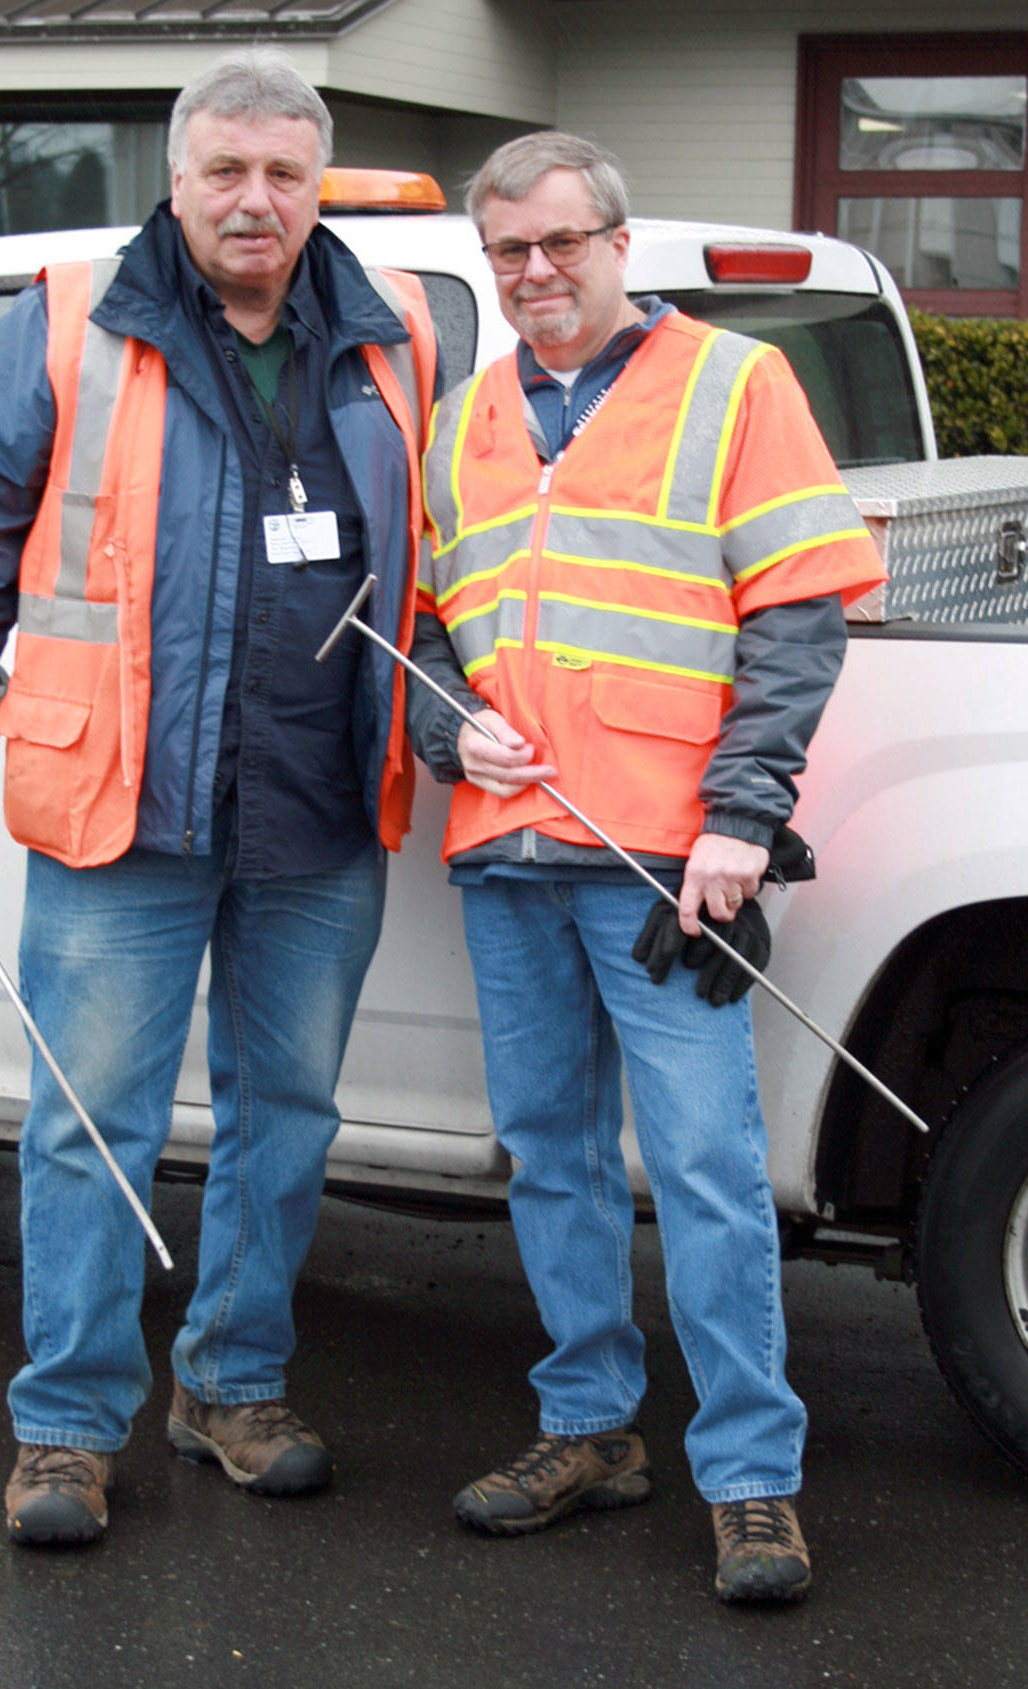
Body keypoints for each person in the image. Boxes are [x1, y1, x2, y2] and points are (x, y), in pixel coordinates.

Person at [0, 48, 436, 1547]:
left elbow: (434, 555)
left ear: (318, 186)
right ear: (175, 179)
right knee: (88, 1123)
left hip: (321, 805)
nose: (256, 201)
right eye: (225, 172)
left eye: (285, 175)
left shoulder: (398, 334)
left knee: (289, 1119)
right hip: (126, 801)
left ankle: (234, 1384)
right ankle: (64, 1425)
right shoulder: (66, 322)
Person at [407, 131, 884, 1603]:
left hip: (670, 865)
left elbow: (799, 616)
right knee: (549, 1159)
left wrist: (742, 818)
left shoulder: (737, 385)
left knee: (707, 1173)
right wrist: (447, 730)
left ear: (619, 244)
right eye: (510, 254)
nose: (536, 274)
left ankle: (751, 1479)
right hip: (509, 852)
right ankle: (588, 1428)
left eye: (561, 245)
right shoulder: (465, 418)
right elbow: (430, 631)